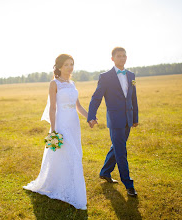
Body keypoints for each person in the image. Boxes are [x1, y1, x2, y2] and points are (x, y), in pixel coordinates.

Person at [23, 54, 88, 210]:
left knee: (74, 153)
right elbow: (52, 107)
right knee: (69, 153)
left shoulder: (72, 83)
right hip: (61, 123)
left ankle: (67, 183)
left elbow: (78, 106)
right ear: (59, 67)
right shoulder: (54, 83)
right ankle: (70, 191)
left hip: (73, 123)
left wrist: (90, 117)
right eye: (66, 64)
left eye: (72, 64)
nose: (70, 67)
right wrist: (53, 129)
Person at [87, 47, 139, 197]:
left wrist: (135, 118)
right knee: (121, 151)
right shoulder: (105, 77)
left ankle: (105, 172)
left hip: (128, 119)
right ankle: (128, 184)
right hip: (115, 120)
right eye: (119, 56)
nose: (122, 58)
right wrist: (91, 115)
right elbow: (96, 97)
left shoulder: (131, 75)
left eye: (124, 56)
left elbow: (133, 98)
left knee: (117, 147)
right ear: (112, 58)